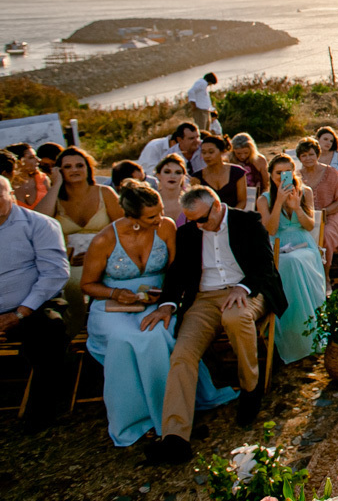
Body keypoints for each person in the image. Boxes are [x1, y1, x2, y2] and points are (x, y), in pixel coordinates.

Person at [80, 181, 235, 447]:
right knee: (124, 338)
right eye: (152, 216)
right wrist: (117, 294)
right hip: (112, 306)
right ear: (133, 218)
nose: (160, 218)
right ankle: (136, 417)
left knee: (158, 334)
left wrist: (164, 296)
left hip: (157, 300)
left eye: (161, 211)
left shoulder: (165, 227)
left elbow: (178, 270)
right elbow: (88, 284)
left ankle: (174, 412)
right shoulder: (104, 239)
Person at [141, 185, 287, 465]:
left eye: (201, 219)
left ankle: (250, 388)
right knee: (183, 353)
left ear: (217, 207)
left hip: (248, 290)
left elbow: (264, 268)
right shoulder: (189, 233)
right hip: (206, 298)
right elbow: (178, 272)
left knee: (235, 316)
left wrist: (242, 288)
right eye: (191, 220)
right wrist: (167, 305)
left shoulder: (247, 223)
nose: (197, 226)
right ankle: (175, 437)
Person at [0, 176, 70, 431]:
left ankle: (41, 413)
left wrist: (19, 313)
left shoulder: (39, 224)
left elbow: (55, 274)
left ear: (11, 195)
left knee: (49, 330)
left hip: (34, 305)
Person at [257, 155, 325, 364]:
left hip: (303, 245)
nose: (283, 176)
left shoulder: (305, 193)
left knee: (293, 262)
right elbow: (270, 229)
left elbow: (309, 225)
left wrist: (296, 207)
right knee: (286, 263)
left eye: (288, 172)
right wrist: (278, 202)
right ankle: (290, 334)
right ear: (271, 175)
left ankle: (311, 333)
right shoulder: (264, 199)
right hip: (277, 245)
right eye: (279, 173)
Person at [35, 146, 123, 264]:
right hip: (68, 264)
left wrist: (100, 252)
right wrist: (56, 185)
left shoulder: (105, 193)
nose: (74, 170)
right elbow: (37, 222)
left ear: (88, 168)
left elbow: (124, 229)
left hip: (107, 260)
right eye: (67, 167)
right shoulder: (54, 199)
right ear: (60, 171)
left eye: (79, 165)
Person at [297, 137, 338, 267]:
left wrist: (323, 213)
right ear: (299, 158)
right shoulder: (297, 176)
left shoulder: (331, 172)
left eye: (311, 154)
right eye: (304, 155)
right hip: (305, 217)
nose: (308, 158)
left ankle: (325, 274)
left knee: (324, 234)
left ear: (317, 155)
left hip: (331, 215)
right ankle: (306, 271)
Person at [190, 133, 247, 211]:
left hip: (233, 217)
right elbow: (196, 204)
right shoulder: (196, 178)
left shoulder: (237, 172)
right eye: (203, 152)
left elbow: (242, 201)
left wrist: (228, 217)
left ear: (221, 152)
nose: (207, 156)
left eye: (211, 152)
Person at [139, 122, 205, 175]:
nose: (196, 141)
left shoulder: (205, 147)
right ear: (179, 140)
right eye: (191, 138)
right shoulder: (169, 155)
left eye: (198, 137)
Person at [6, 142, 49, 210]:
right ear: (18, 162)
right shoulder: (6, 185)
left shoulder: (43, 179)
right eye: (31, 157)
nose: (38, 160)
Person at [155, 153, 190, 226]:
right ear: (158, 175)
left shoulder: (192, 200)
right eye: (167, 172)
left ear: (183, 176)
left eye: (178, 173)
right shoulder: (151, 202)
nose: (172, 176)